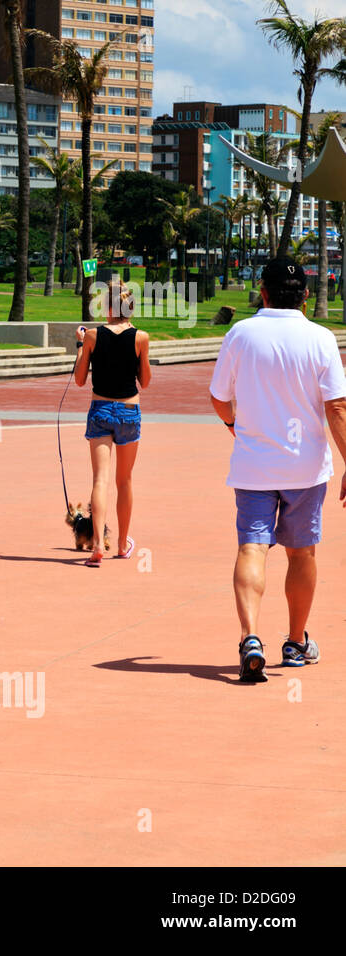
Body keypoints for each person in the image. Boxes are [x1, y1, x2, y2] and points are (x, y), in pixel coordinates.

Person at [208, 258, 346, 682]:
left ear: (262, 293)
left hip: (253, 467)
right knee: (301, 553)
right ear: (305, 295)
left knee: (252, 548)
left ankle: (251, 637)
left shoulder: (241, 334)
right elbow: (337, 407)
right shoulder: (321, 338)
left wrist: (235, 426)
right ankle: (296, 641)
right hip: (305, 469)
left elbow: (218, 397)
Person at [73, 281, 150, 567]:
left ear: (107, 309)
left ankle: (96, 545)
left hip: (100, 409)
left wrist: (81, 345)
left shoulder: (92, 336)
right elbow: (146, 380)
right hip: (129, 410)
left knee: (100, 480)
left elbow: (80, 380)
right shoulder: (141, 337)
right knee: (124, 480)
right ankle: (121, 543)